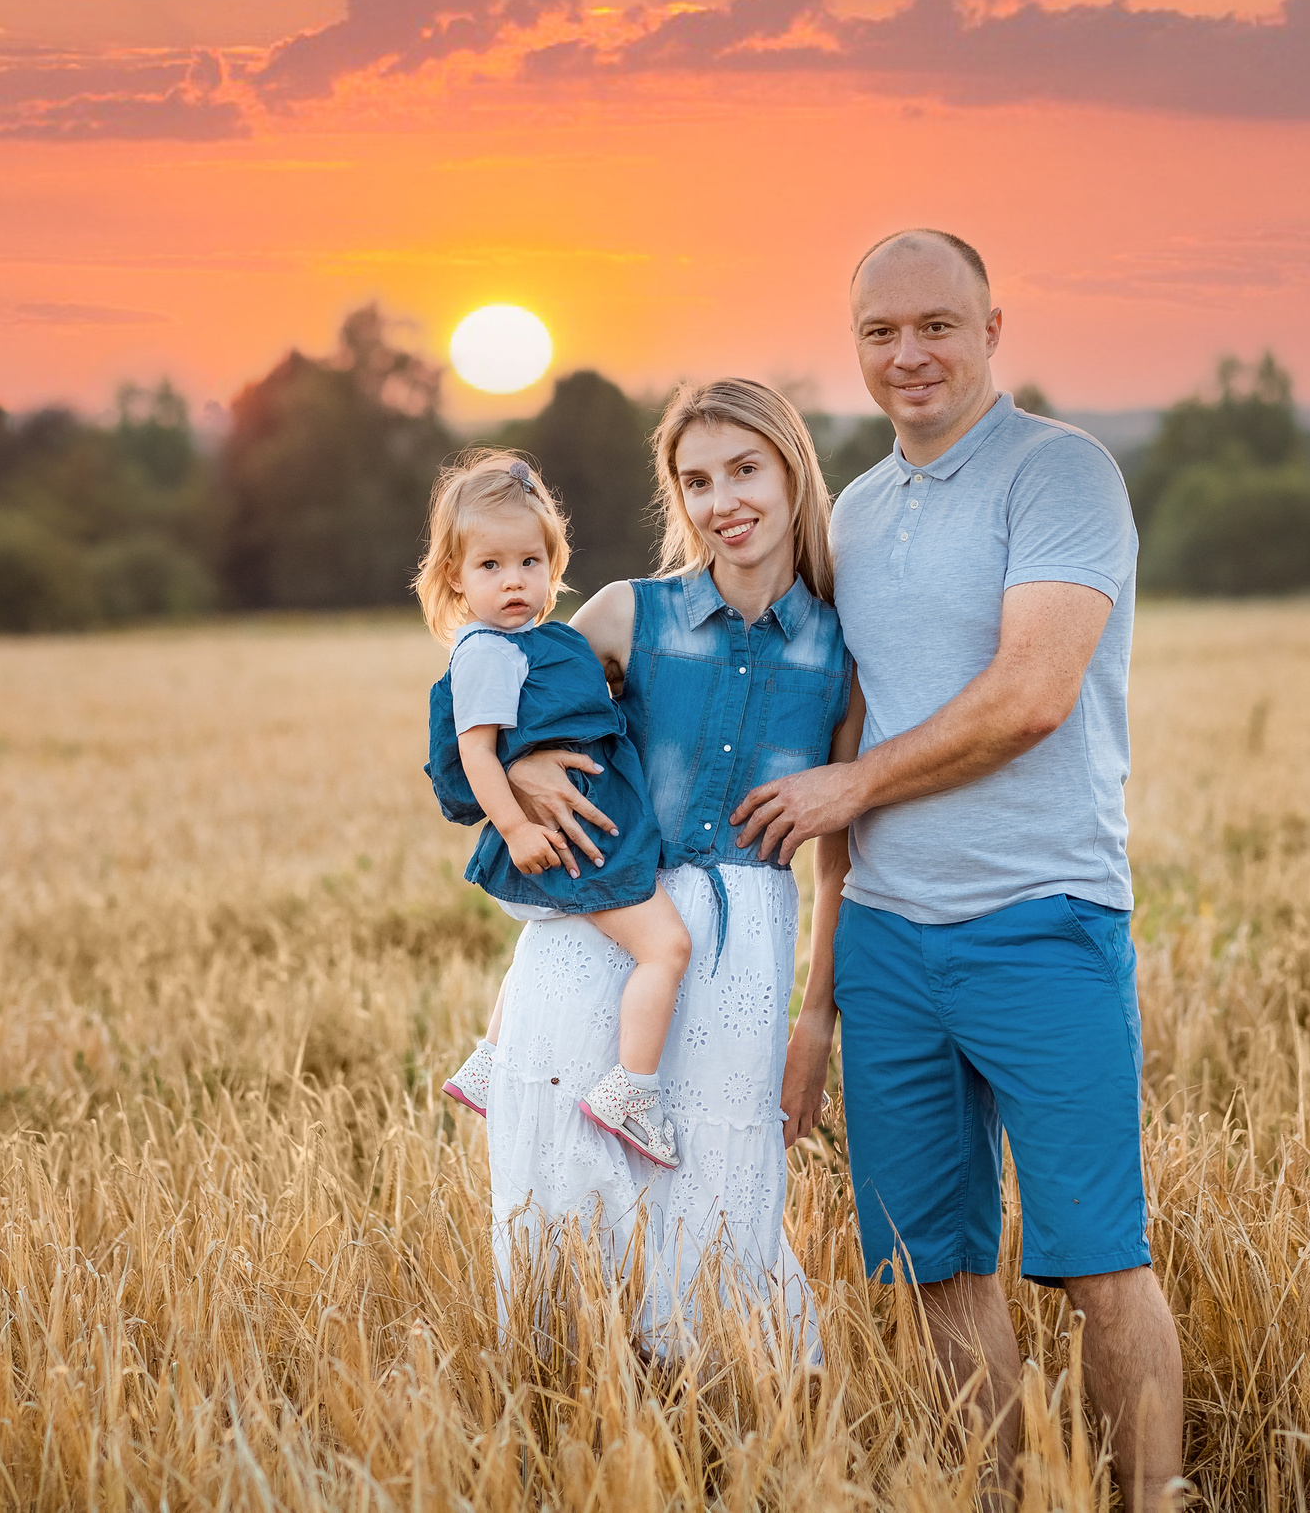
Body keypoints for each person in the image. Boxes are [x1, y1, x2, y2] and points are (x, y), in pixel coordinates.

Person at [735, 230, 1187, 1509]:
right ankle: (995, 1499)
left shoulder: (1061, 475)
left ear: (994, 327)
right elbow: (839, 737)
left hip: (1042, 920)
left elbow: (1032, 695)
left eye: (935, 325)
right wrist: (815, 1005)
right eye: (880, 333)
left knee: (1101, 1259)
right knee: (933, 1267)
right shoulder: (858, 516)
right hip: (885, 942)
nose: (908, 354)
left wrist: (855, 784)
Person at [449, 381, 853, 1353]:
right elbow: (500, 708)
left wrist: (815, 1021)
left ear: (794, 472)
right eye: (697, 481)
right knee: (567, 1183)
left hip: (744, 942)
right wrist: (529, 762)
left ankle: (712, 1434)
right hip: (611, 916)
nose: (725, 502)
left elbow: (842, 862)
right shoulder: (629, 614)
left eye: (746, 470)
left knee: (720, 1184)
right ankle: (567, 1416)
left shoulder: (839, 650)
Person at [415, 450, 692, 1163]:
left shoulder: (527, 641)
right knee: (666, 945)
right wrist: (514, 828)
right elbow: (478, 753)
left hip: (574, 829)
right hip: (568, 838)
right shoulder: (486, 653)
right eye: (490, 566)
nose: (515, 581)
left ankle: (490, 1057)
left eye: (530, 562)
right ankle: (630, 1090)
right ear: (454, 576)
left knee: (532, 950)